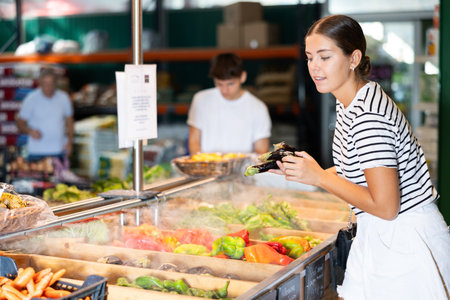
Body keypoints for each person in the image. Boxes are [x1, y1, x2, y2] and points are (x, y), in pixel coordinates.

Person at [270, 15, 450, 299]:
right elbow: (357, 170)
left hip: (404, 241)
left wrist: (317, 176)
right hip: (385, 235)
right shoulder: (353, 102)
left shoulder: (368, 116)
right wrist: (304, 171)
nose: (314, 67)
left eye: (324, 57)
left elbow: (386, 205)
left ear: (353, 58)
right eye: (309, 57)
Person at [187, 52, 272, 155]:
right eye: (219, 84)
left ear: (243, 77)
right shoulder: (201, 100)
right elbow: (194, 142)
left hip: (243, 169)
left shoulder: (258, 108)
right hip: (208, 168)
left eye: (230, 84)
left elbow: (261, 152)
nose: (224, 90)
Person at [16, 68, 74, 162]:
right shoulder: (31, 99)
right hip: (36, 151)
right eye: (45, 84)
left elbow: (70, 121)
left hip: (59, 150)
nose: (48, 87)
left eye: (51, 84)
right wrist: (30, 131)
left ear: (56, 83)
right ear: (40, 84)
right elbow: (20, 123)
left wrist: (70, 142)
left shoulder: (64, 98)